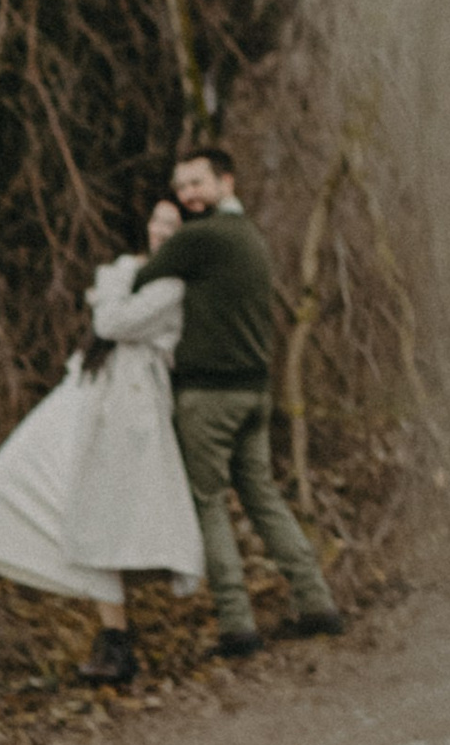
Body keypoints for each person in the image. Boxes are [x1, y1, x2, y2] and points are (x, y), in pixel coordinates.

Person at [0, 250, 204, 687]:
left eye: (170, 227)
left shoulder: (169, 285)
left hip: (123, 413)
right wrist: (119, 277)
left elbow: (110, 321)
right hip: (81, 396)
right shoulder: (139, 274)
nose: (159, 234)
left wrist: (116, 277)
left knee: (94, 519)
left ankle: (116, 641)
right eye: (155, 223)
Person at [133, 138, 343, 661]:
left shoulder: (201, 238)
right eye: (180, 187)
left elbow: (139, 280)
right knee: (262, 496)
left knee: (209, 504)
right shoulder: (250, 235)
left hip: (209, 397)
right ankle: (316, 602)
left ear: (227, 182)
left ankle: (236, 625)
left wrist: (160, 250)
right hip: (254, 394)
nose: (188, 194)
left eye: (197, 182)